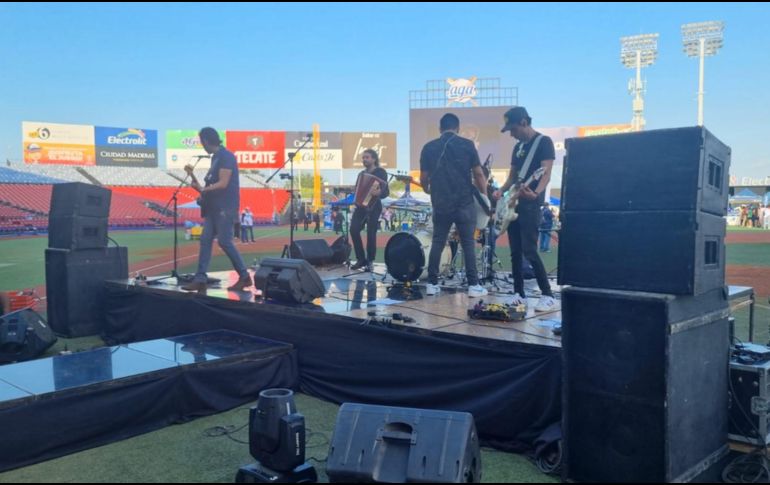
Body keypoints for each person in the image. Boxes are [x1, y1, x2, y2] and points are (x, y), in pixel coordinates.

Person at [494, 107, 558, 312]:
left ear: (523, 122)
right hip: (513, 203)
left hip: (530, 204)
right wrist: (501, 190)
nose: (511, 134)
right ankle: (518, 294)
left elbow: (546, 173)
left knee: (529, 249)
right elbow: (512, 177)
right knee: (515, 251)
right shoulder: (518, 147)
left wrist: (536, 193)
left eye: (513, 129)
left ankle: (547, 294)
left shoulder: (544, 142)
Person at [419, 113, 488, 298]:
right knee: (468, 243)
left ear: (440, 128)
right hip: (464, 202)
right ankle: (473, 285)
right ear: (458, 128)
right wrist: (484, 196)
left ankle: (432, 283)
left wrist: (427, 189)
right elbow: (478, 174)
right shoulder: (467, 145)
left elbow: (424, 177)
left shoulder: (428, 147)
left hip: (441, 203)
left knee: (438, 241)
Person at [181, 127, 251, 292]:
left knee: (224, 241)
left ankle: (244, 276)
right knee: (205, 240)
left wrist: (203, 189)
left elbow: (223, 183)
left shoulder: (226, 156)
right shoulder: (216, 158)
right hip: (214, 208)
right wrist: (199, 186)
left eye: (202, 142)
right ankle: (200, 278)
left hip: (224, 208)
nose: (202, 145)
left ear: (206, 141)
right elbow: (212, 187)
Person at [350, 149, 389, 271]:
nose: (364, 160)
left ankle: (370, 261)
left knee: (371, 233)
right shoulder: (361, 174)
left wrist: (378, 192)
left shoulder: (381, 172)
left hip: (374, 206)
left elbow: (386, 191)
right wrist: (355, 196)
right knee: (353, 229)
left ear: (374, 159)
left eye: (367, 157)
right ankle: (361, 259)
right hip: (361, 206)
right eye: (363, 158)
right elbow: (358, 189)